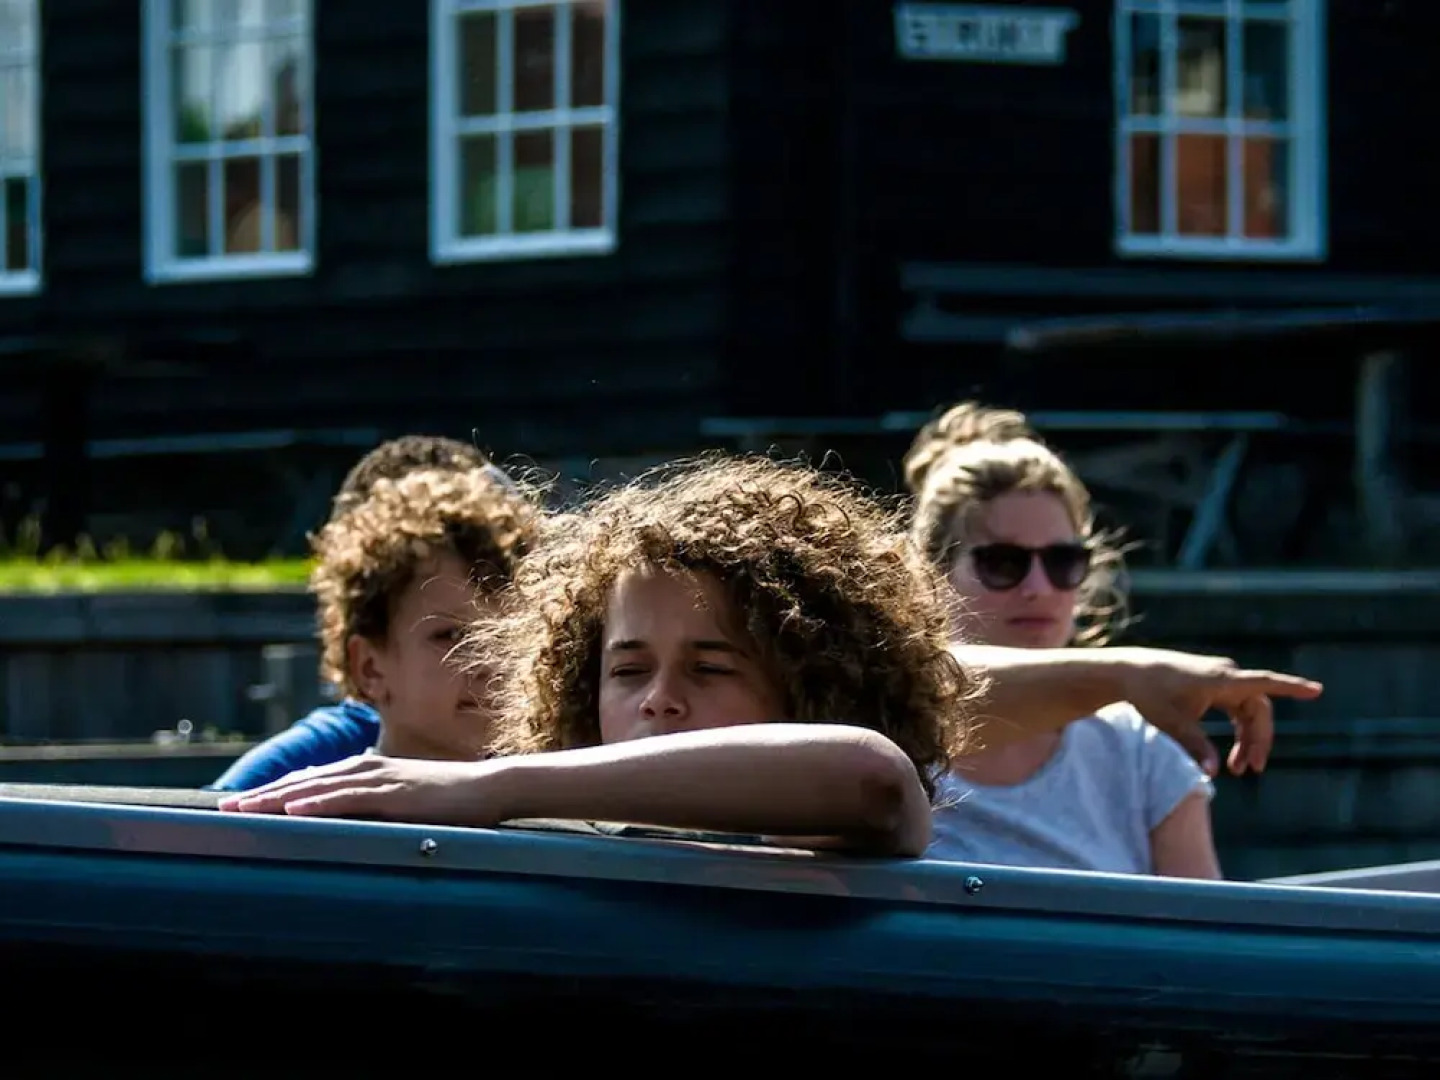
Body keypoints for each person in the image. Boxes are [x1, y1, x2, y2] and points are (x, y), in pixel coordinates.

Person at [221, 454, 974, 856]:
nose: (658, 700)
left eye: (711, 667)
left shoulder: (828, 834)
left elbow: (872, 777)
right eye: (627, 668)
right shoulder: (573, 843)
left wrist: (488, 786)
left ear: (815, 683)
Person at [907, 401, 1216, 876]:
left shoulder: (1141, 753)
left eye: (1062, 562)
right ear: (933, 575)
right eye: (1003, 563)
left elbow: (1206, 938)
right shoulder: (882, 737)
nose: (1038, 589)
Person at [209, 464, 538, 790]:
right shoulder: (313, 816)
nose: (491, 663)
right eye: (450, 635)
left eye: (508, 635)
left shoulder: (559, 813)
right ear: (369, 668)